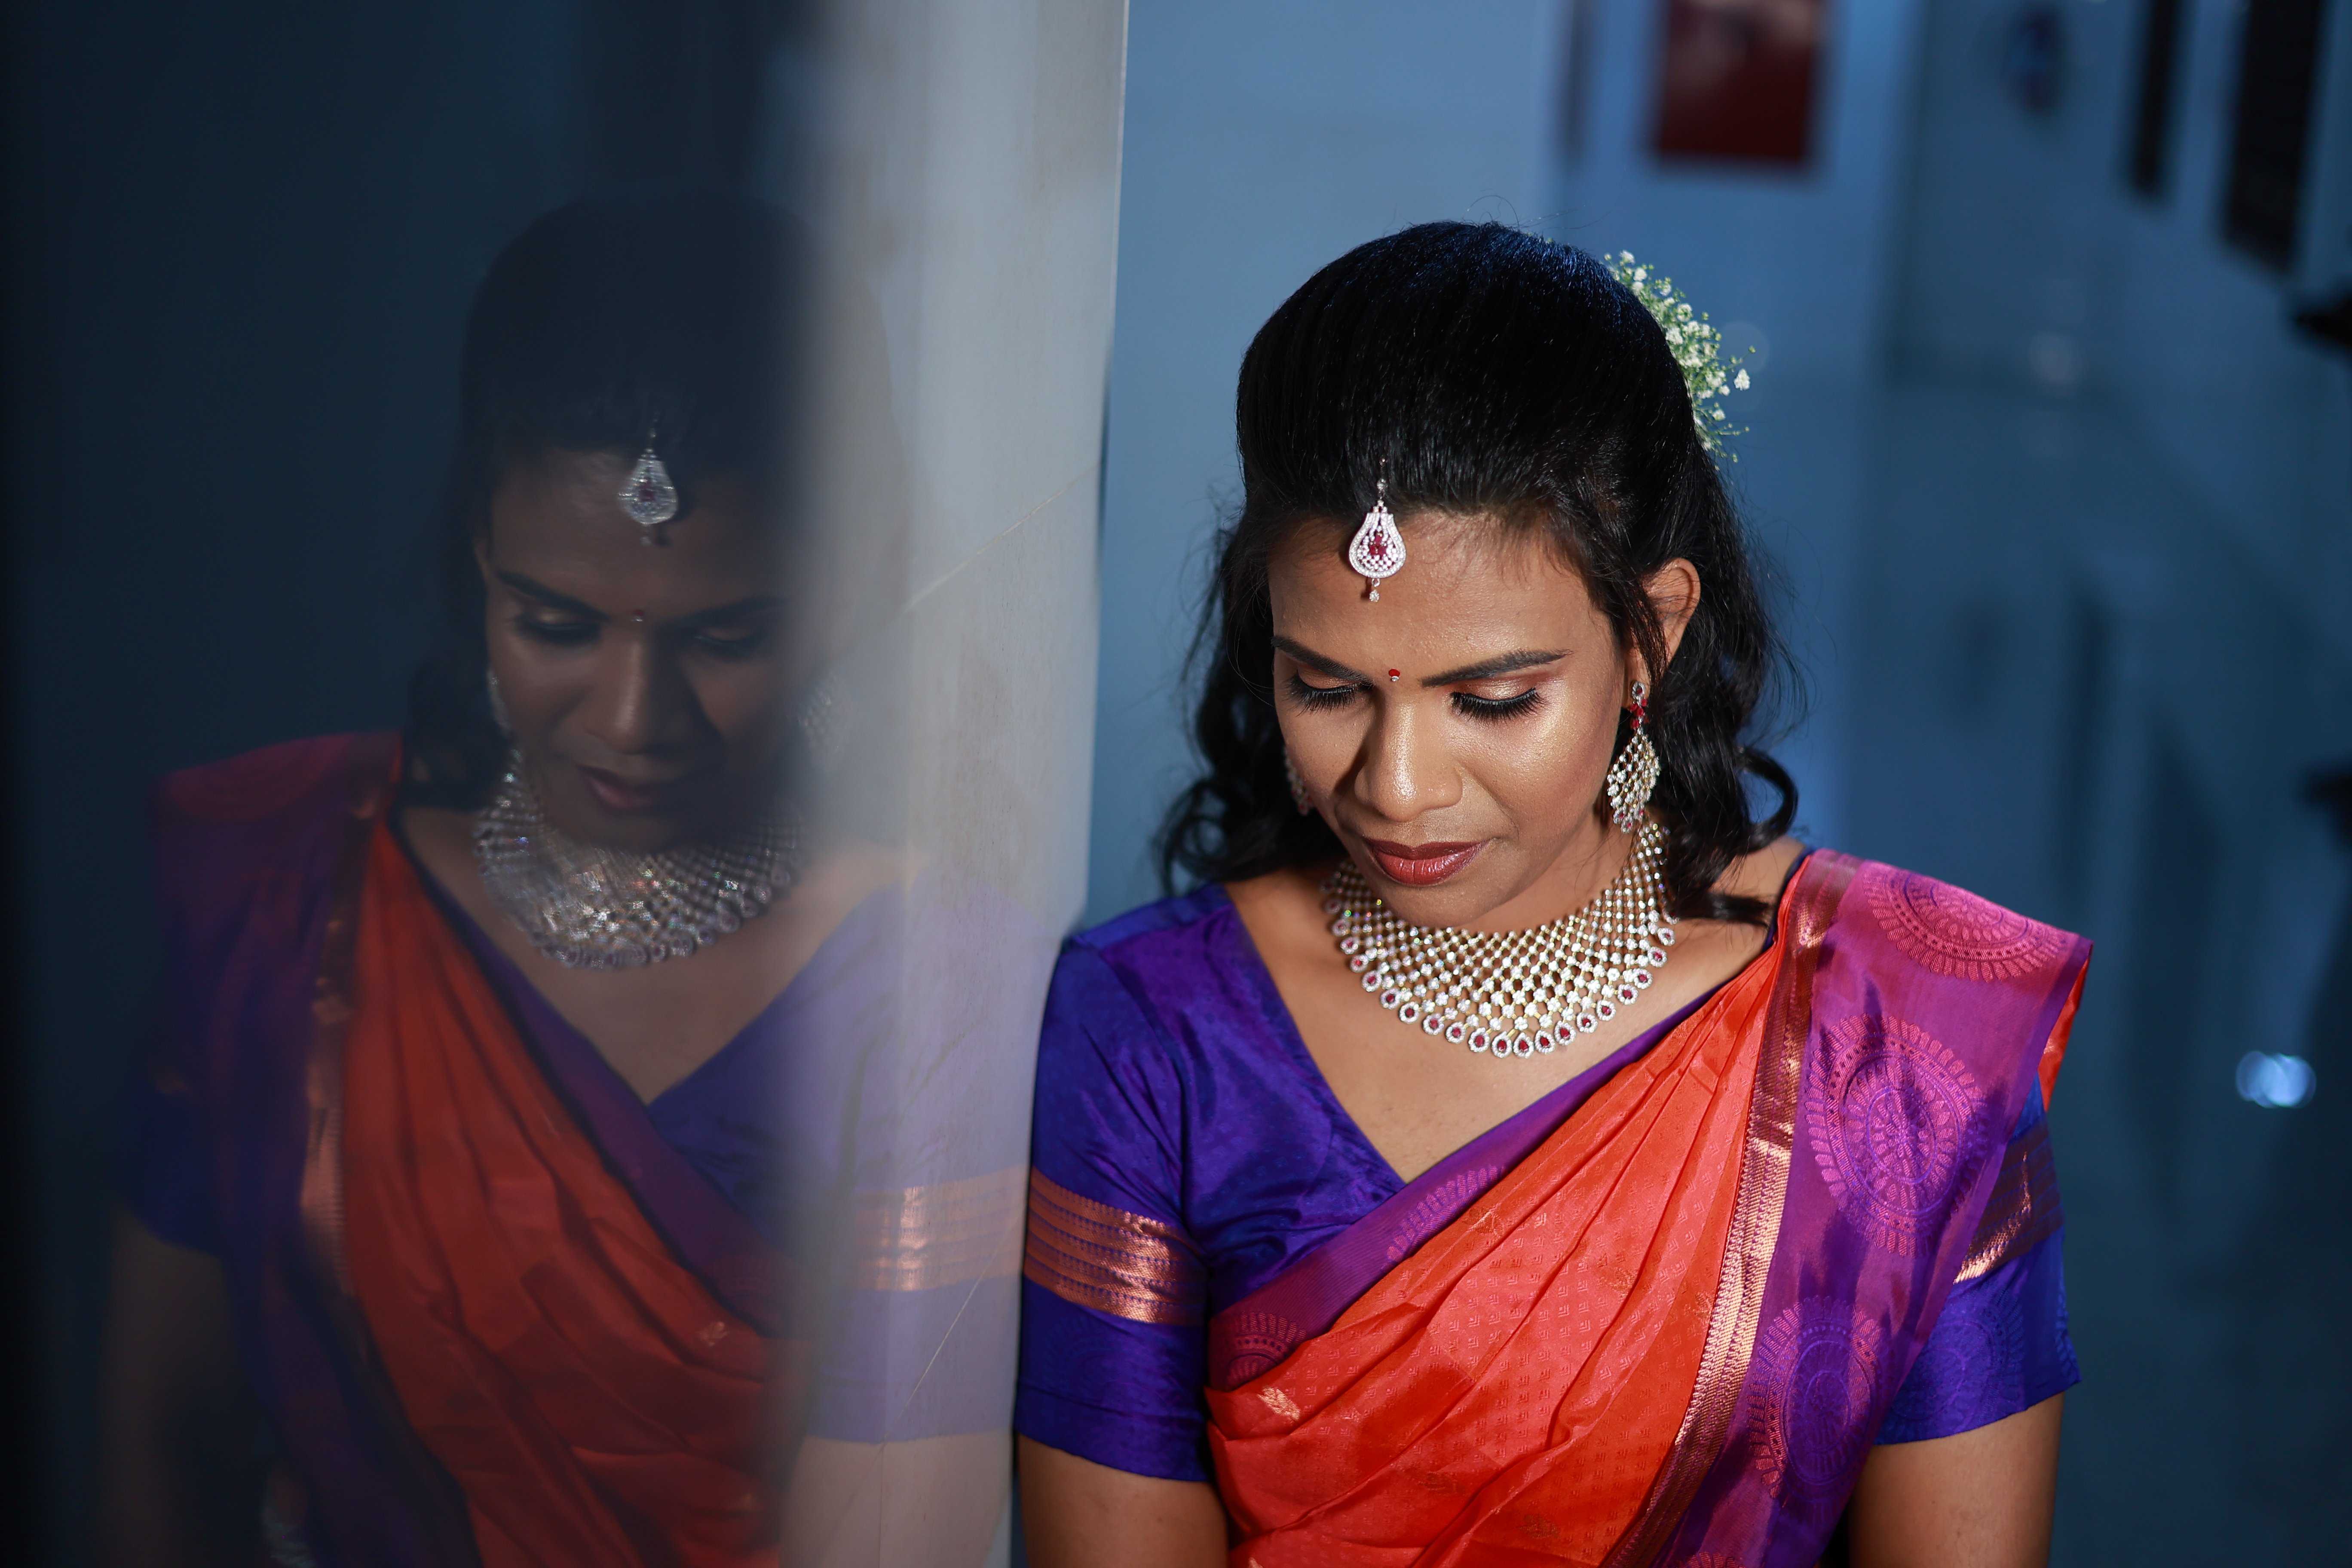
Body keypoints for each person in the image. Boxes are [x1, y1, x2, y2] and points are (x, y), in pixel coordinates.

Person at [1014, 224, 2086, 1567]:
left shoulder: (1901, 1042)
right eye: (1327, 688)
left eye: (1496, 698)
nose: (1397, 787)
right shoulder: (1151, 1032)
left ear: (1656, 631)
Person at [97, 186, 1030, 1568]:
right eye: (557, 624)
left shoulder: (937, 986)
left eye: (729, 634)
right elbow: (158, 1446)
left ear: (850, 581)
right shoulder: (293, 906)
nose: (634, 717)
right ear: (477, 546)